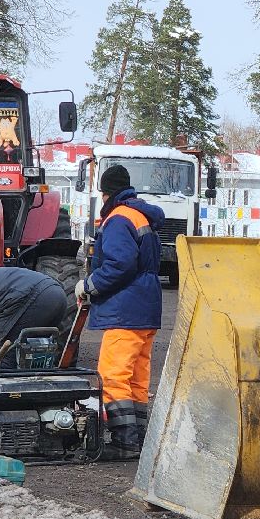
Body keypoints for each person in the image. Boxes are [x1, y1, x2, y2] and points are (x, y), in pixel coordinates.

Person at [78, 163, 164, 460]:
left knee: (113, 376)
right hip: (147, 309)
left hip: (125, 311)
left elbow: (119, 264)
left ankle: (124, 443)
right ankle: (139, 440)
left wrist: (89, 285)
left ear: (106, 193)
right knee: (137, 379)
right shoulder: (142, 216)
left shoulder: (117, 219)